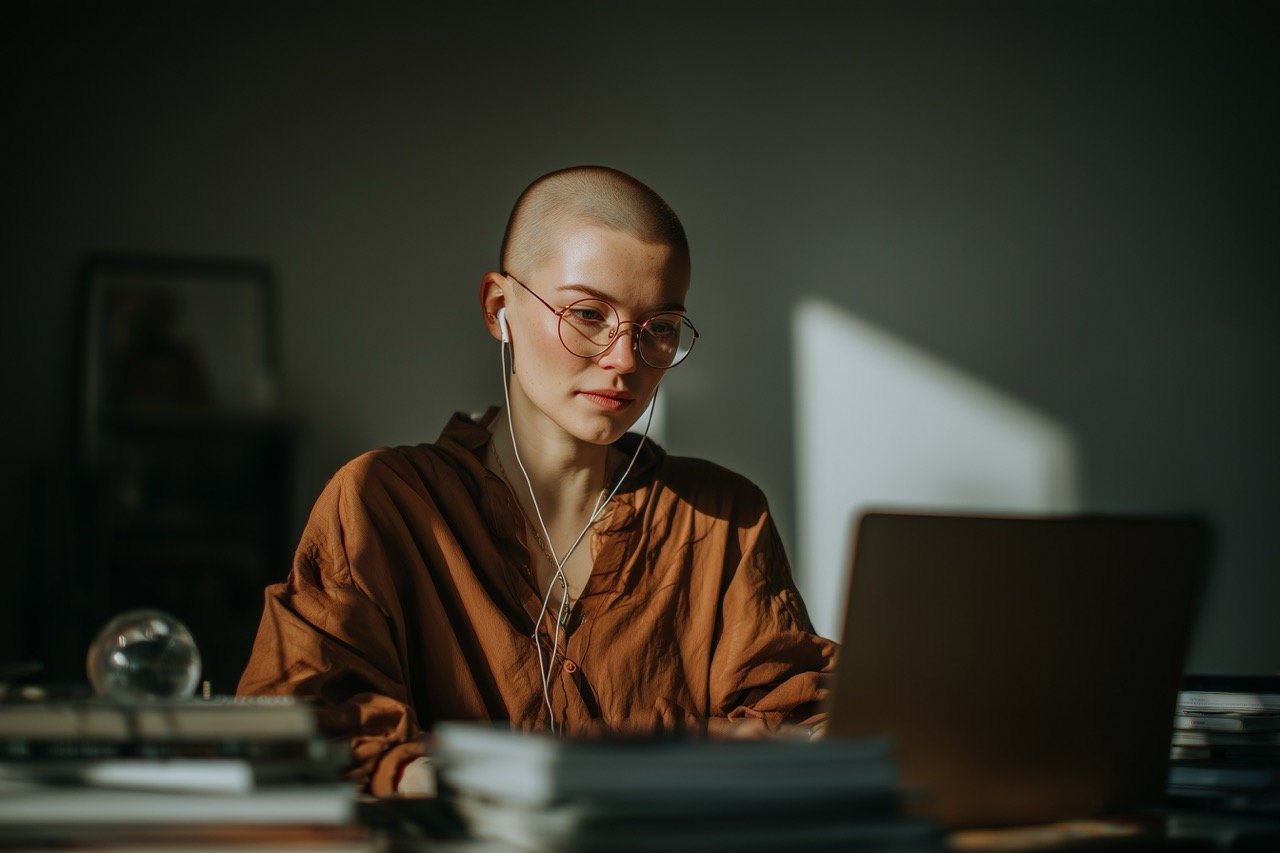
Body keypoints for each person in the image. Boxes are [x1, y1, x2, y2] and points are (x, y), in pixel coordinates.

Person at [237, 165, 838, 795]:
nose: (624, 360)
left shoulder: (720, 517)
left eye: (658, 328)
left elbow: (797, 713)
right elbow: (300, 720)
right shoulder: (385, 502)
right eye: (587, 314)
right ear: (499, 308)